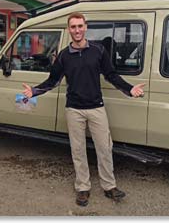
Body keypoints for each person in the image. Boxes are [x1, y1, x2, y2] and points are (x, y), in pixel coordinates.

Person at [22, 12, 145, 207]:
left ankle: (109, 186)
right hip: (74, 110)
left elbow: (111, 75)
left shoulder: (98, 51)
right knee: (78, 151)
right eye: (73, 27)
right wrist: (34, 91)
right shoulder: (63, 56)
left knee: (105, 148)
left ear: (85, 27)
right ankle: (82, 187)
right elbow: (53, 81)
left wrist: (130, 89)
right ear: (69, 29)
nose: (77, 30)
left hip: (97, 108)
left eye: (80, 26)